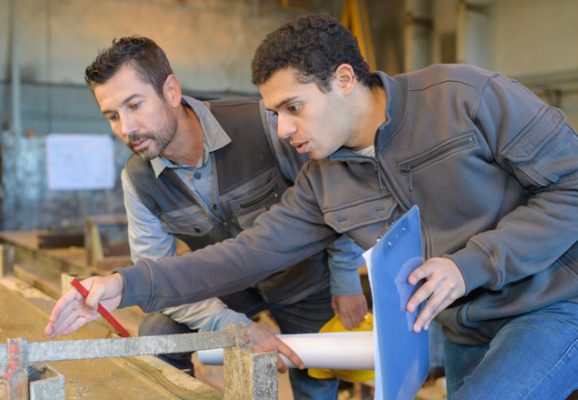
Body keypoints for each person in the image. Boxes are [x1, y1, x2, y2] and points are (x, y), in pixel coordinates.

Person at [46, 16, 578, 399]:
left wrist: (472, 265)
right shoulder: (326, 179)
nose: (281, 129)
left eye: (292, 108)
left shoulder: (464, 98)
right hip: (463, 324)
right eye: (274, 112)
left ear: (343, 80)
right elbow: (244, 255)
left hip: (552, 303)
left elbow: (573, 186)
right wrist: (122, 285)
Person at [59, 35, 369, 399]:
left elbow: (337, 194)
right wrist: (231, 326)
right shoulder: (138, 179)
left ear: (171, 90)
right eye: (112, 116)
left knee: (316, 378)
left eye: (135, 105)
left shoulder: (263, 125)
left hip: (305, 279)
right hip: (228, 288)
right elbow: (157, 274)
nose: (127, 129)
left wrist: (345, 278)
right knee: (158, 334)